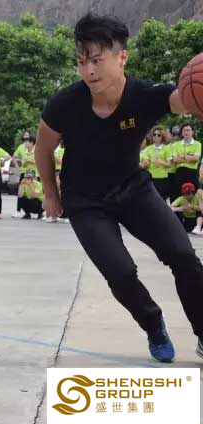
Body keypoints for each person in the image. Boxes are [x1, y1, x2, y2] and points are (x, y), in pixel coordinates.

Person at [35, 13, 203, 363]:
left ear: (121, 57)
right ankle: (153, 325)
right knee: (121, 272)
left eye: (96, 60)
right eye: (81, 62)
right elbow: (43, 148)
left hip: (133, 190)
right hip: (85, 201)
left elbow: (182, 99)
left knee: (184, 257)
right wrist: (50, 193)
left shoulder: (142, 95)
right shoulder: (65, 103)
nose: (88, 70)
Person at [140, 127, 171, 201]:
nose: (156, 136)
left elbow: (169, 164)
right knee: (150, 199)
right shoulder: (148, 148)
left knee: (162, 200)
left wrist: (161, 162)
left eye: (159, 135)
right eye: (154, 134)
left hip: (162, 178)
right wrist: (146, 162)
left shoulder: (167, 148)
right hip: (151, 178)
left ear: (162, 137)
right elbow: (146, 161)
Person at [12, 131, 37, 218]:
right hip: (24, 172)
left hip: (34, 173)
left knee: (34, 191)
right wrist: (17, 168)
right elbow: (14, 157)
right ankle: (19, 210)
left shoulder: (36, 148)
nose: (26, 137)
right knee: (22, 191)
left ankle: (37, 211)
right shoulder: (21, 147)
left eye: (27, 136)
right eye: (25, 136)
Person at [172, 123, 201, 193]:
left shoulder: (198, 144)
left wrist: (183, 156)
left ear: (192, 132)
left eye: (188, 130)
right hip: (179, 172)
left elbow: (196, 159)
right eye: (184, 130)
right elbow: (175, 160)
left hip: (192, 172)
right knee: (179, 193)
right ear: (182, 133)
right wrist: (189, 158)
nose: (186, 132)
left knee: (193, 194)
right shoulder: (175, 144)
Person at [167, 125, 181, 202]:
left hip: (177, 172)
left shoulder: (180, 145)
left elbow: (175, 159)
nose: (176, 137)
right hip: (167, 173)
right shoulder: (167, 146)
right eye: (173, 134)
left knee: (176, 194)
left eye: (177, 135)